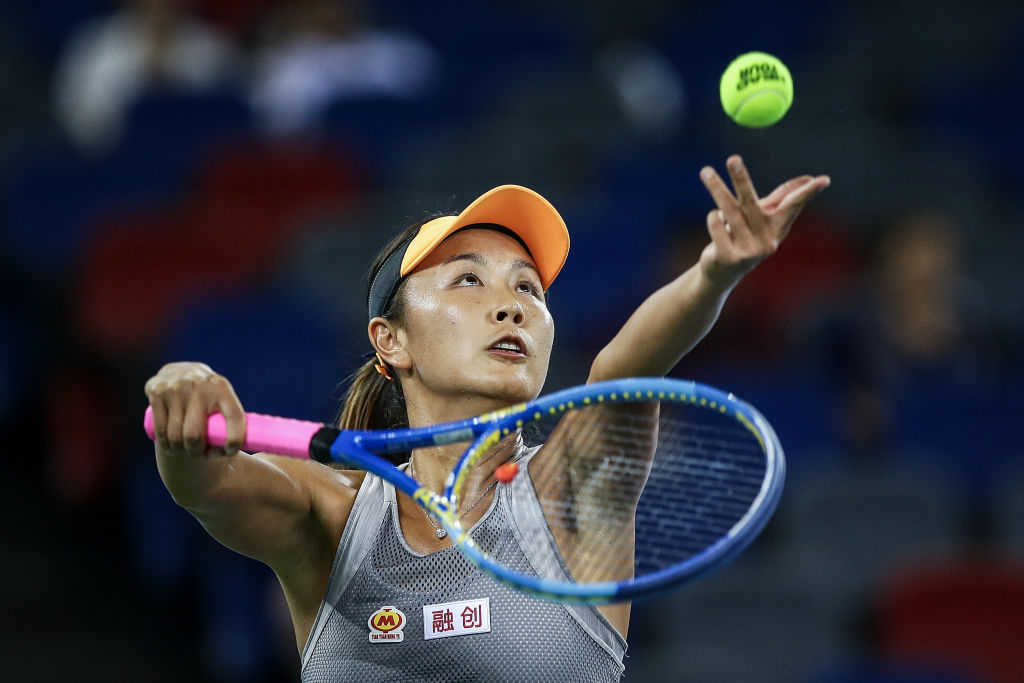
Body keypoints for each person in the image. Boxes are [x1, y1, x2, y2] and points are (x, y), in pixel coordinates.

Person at [144, 155, 829, 679]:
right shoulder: (333, 514)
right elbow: (208, 483)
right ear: (392, 340)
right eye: (468, 279)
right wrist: (187, 394)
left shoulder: (570, 495)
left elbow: (623, 371)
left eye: (528, 288)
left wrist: (712, 274)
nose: (512, 307)